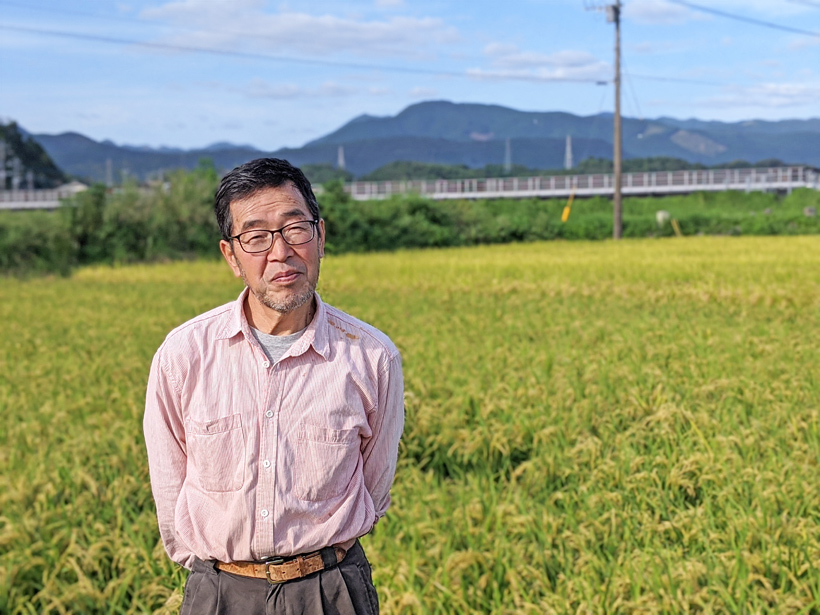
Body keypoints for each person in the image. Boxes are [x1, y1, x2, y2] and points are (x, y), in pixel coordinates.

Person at [143, 157, 404, 615]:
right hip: (220, 592)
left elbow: (375, 488)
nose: (280, 252)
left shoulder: (371, 357)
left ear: (320, 238)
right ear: (231, 255)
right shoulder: (184, 354)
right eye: (256, 237)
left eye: (294, 229)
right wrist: (218, 577)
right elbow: (169, 486)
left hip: (330, 590)